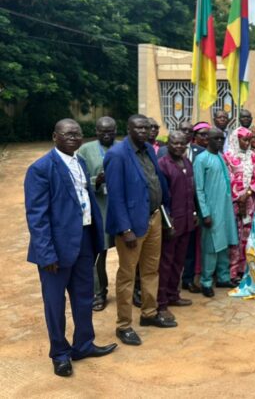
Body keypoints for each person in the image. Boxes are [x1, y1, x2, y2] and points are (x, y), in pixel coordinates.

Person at [25, 119, 117, 377]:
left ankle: (84, 344)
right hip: (55, 249)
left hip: (84, 241)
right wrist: (46, 254)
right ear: (55, 136)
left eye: (77, 134)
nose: (74, 138)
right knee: (55, 304)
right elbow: (37, 216)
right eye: (67, 134)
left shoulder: (80, 162)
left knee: (84, 297)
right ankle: (60, 354)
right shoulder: (41, 168)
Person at [104, 114, 173, 346]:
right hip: (132, 226)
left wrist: (165, 211)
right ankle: (124, 325)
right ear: (128, 129)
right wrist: (125, 229)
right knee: (127, 275)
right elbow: (115, 196)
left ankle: (149, 313)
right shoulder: (117, 155)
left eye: (146, 127)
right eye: (139, 128)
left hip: (154, 218)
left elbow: (156, 181)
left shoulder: (149, 149)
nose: (144, 131)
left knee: (151, 270)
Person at [77, 116, 118, 312]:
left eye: (110, 131)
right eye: (103, 131)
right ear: (96, 131)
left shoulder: (123, 148)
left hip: (120, 210)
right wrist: (97, 181)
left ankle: (134, 291)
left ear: (116, 131)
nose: (106, 134)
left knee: (130, 255)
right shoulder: (85, 150)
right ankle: (99, 292)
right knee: (98, 254)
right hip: (99, 209)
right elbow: (78, 179)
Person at [193, 128, 239, 297]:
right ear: (208, 140)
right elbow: (198, 188)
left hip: (225, 208)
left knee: (224, 243)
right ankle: (206, 281)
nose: (219, 141)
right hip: (211, 210)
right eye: (216, 139)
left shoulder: (220, 157)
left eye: (222, 139)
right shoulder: (201, 159)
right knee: (211, 246)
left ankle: (223, 277)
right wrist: (205, 213)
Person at [156, 131, 196, 321]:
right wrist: (167, 223)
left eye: (182, 144)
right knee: (166, 263)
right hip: (171, 222)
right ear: (168, 144)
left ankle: (173, 294)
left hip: (186, 220)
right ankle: (161, 302)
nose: (179, 146)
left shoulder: (186, 162)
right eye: (175, 143)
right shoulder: (163, 165)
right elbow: (162, 198)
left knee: (179, 261)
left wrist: (194, 214)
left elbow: (190, 191)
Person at [224, 127, 255, 282]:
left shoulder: (253, 156)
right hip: (231, 203)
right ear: (236, 139)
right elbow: (227, 179)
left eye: (249, 140)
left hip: (249, 202)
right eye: (245, 140)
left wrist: (247, 194)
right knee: (233, 235)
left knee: (247, 235)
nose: (248, 143)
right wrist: (237, 197)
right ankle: (230, 272)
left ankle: (243, 269)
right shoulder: (227, 156)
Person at [180, 121, 210, 294]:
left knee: (190, 245)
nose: (186, 133)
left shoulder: (201, 152)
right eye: (183, 130)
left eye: (189, 131)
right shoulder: (164, 152)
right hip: (175, 206)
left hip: (194, 205)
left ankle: (188, 279)